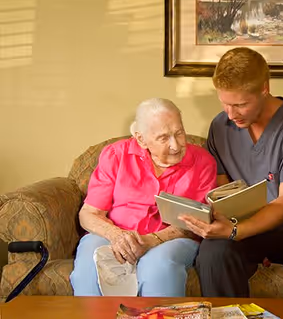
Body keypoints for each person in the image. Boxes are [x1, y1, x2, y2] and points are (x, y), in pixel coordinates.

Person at [179, 47, 283, 299]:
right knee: (213, 255)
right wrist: (220, 221)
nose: (231, 114)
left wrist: (236, 232)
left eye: (241, 105)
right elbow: (223, 192)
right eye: (225, 103)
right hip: (238, 223)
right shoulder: (220, 126)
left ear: (264, 89)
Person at [70, 98, 217, 297]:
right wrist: (117, 236)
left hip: (172, 240)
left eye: (179, 133)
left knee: (159, 266)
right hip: (114, 234)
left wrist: (152, 240)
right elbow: (89, 214)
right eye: (163, 138)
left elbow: (196, 222)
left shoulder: (202, 162)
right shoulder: (116, 155)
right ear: (141, 139)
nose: (175, 145)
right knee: (90, 265)